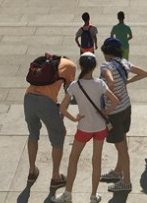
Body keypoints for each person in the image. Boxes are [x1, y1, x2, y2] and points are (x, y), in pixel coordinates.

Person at [51, 53, 120, 203]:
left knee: (73, 158)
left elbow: (62, 108)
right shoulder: (100, 84)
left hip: (84, 128)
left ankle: (67, 194)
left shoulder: (75, 85)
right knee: (96, 161)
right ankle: (93, 196)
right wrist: (105, 112)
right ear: (94, 67)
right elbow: (115, 100)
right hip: (100, 127)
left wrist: (74, 118)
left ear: (81, 66)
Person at [99, 37, 147, 194]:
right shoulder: (124, 63)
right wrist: (128, 82)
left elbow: (111, 82)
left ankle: (126, 181)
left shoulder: (106, 66)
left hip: (114, 113)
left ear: (108, 52)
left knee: (122, 149)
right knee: (123, 143)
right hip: (126, 107)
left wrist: (109, 96)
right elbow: (144, 73)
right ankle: (118, 171)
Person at [24, 52, 76, 190]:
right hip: (46, 102)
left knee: (33, 135)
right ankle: (55, 177)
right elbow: (69, 92)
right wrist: (62, 114)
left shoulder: (42, 61)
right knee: (58, 138)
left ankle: (32, 171)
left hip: (28, 98)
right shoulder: (70, 66)